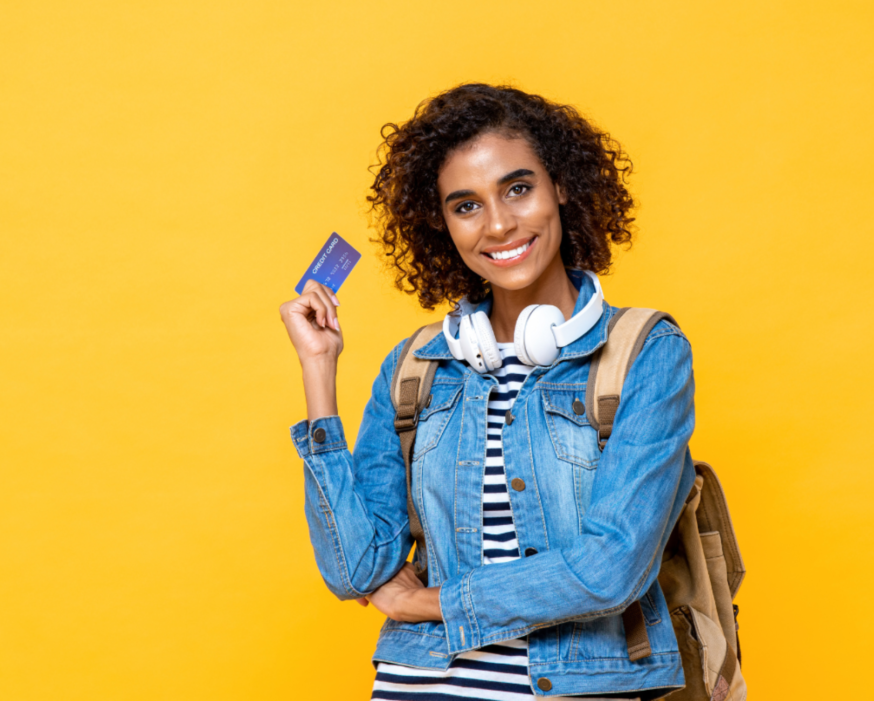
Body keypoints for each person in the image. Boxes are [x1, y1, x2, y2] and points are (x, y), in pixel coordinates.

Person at [279, 84, 696, 700]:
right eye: (466, 206)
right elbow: (357, 569)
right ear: (442, 223)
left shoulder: (646, 352)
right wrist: (319, 371)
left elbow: (612, 568)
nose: (498, 224)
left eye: (518, 188)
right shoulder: (416, 367)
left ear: (561, 186)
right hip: (416, 685)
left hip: (579, 683)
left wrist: (429, 602)